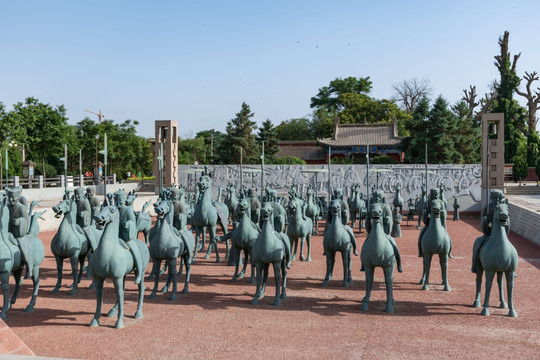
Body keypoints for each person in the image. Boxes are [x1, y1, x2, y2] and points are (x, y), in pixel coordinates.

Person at [114, 190, 143, 284]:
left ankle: (138, 272)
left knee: (134, 249)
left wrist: (128, 224)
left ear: (124, 199)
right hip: (116, 236)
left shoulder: (128, 210)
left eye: (120, 200)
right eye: (116, 200)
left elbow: (133, 222)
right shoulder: (114, 210)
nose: (118, 202)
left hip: (127, 237)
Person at [6, 186, 33, 279]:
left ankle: (29, 267)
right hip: (8, 231)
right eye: (9, 197)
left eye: (12, 197)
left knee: (23, 246)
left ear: (18, 197)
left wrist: (19, 222)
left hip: (18, 233)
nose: (10, 199)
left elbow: (26, 220)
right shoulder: (7, 207)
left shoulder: (21, 208)